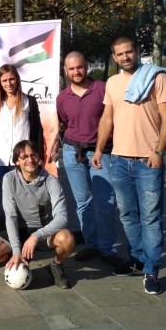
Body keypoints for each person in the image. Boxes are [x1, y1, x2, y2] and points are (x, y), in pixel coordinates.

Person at [92, 37, 166, 295]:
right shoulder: (112, 83)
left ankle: (151, 268)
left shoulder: (156, 77)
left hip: (148, 161)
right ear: (114, 57)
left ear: (137, 51)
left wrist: (159, 151)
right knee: (127, 215)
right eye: (120, 54)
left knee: (151, 217)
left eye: (129, 52)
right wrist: (99, 149)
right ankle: (137, 258)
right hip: (118, 160)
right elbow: (107, 118)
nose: (125, 57)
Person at [56, 52, 123, 268]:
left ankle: (107, 248)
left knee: (106, 202)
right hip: (72, 152)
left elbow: (115, 118)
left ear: (86, 66)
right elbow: (64, 122)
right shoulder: (62, 97)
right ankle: (92, 244)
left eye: (79, 67)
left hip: (101, 152)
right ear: (66, 71)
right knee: (83, 202)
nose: (76, 72)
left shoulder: (103, 89)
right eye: (71, 68)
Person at [0, 140, 75, 289]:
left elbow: (62, 218)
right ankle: (18, 260)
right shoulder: (9, 179)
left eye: (34, 155)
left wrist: (35, 236)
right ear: (17, 161)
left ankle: (56, 266)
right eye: (24, 157)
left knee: (67, 239)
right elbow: (10, 215)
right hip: (18, 230)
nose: (30, 160)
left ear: (39, 158)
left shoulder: (51, 181)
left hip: (42, 232)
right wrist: (16, 250)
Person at [0, 64, 43, 231]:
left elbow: (37, 131)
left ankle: (26, 238)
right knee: (2, 204)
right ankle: (5, 237)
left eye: (11, 79)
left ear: (17, 79)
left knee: (26, 203)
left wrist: (39, 157)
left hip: (24, 161)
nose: (8, 83)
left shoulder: (29, 102)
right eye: (4, 80)